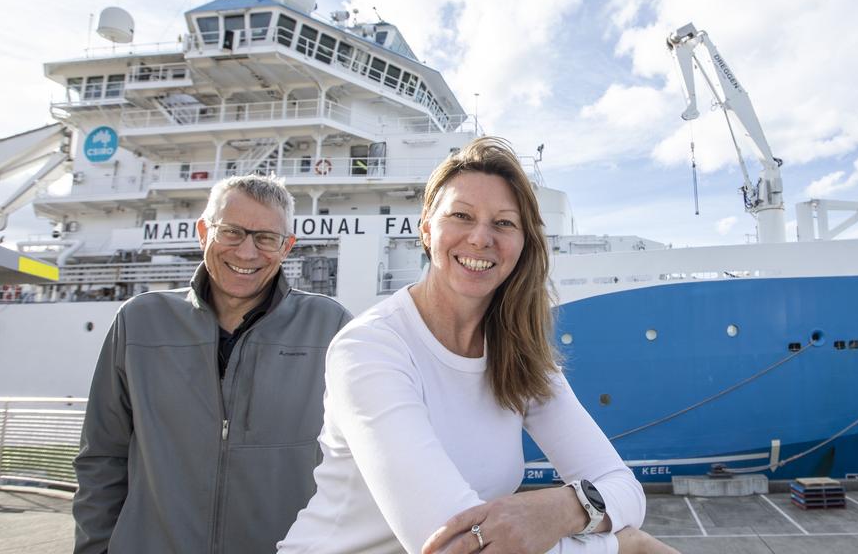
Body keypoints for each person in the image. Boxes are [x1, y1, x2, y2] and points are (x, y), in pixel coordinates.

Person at [280, 137, 676, 553]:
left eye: (504, 223)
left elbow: (627, 491)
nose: (480, 238)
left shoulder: (517, 356)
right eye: (461, 216)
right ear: (427, 229)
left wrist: (564, 506)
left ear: (524, 245)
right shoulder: (370, 349)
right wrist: (623, 546)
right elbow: (452, 544)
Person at [73, 175, 352, 553]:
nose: (247, 253)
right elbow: (102, 458)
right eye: (232, 232)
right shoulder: (139, 322)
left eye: (266, 238)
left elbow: (357, 466)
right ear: (204, 231)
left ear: (287, 247)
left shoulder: (330, 327)